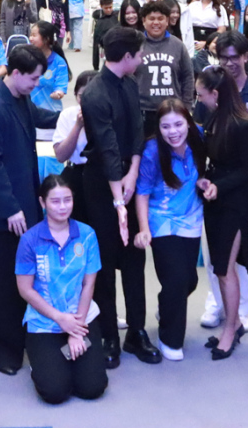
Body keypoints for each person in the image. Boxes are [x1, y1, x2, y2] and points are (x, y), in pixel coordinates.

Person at [0, 44, 52, 375]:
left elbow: (39, 117)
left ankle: (19, 339)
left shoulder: (19, 97)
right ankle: (0, 349)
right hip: (2, 215)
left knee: (23, 278)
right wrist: (11, 209)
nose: (37, 84)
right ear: (15, 74)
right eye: (33, 79)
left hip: (20, 207)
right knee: (3, 284)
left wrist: (71, 115)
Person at [76, 25, 155, 367]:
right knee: (105, 262)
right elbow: (106, 146)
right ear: (126, 56)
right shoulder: (94, 93)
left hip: (129, 177)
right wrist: (118, 195)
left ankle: (136, 330)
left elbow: (137, 130)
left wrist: (134, 171)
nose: (142, 59)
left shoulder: (130, 83)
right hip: (101, 185)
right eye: (139, 54)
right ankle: (109, 334)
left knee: (135, 259)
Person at [15, 174, 108, 404]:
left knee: (92, 387)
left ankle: (69, 356)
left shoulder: (87, 235)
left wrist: (76, 330)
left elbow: (89, 284)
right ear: (42, 202)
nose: (63, 206)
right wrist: (59, 318)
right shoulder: (30, 240)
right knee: (55, 392)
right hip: (45, 322)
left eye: (67, 200)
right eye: (55, 201)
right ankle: (42, 361)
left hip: (81, 318)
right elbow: (25, 289)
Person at [194, 64, 248, 361]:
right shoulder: (214, 119)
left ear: (216, 93)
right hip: (216, 201)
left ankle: (231, 329)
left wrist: (219, 186)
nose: (199, 100)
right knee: (219, 268)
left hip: (236, 203)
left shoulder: (244, 125)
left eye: (201, 95)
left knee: (225, 269)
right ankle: (230, 323)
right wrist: (206, 181)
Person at [132, 97, 205, 362]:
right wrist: (143, 229)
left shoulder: (199, 136)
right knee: (176, 280)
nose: (172, 132)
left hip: (191, 218)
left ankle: (167, 306)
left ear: (188, 123)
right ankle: (170, 339)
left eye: (178, 124)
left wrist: (205, 182)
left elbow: (205, 169)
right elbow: (142, 192)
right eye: (165, 126)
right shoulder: (152, 151)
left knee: (189, 280)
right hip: (161, 220)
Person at [135, 1, 195, 132]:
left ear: (167, 21)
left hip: (172, 110)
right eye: (151, 19)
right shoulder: (135, 44)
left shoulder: (178, 45)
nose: (156, 22)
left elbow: (188, 77)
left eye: (160, 18)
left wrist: (186, 107)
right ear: (144, 21)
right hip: (143, 111)